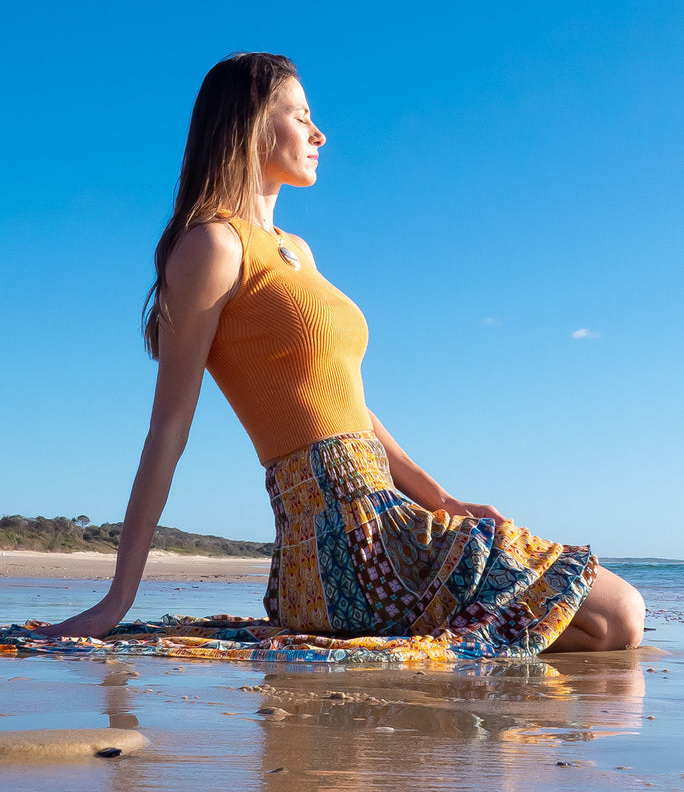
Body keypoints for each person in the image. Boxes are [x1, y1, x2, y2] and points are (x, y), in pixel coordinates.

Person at [39, 52, 645, 654]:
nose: (319, 133)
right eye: (300, 115)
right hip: (342, 541)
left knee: (605, 622)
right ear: (252, 124)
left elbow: (348, 404)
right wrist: (118, 601)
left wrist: (442, 499)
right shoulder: (213, 245)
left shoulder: (296, 249)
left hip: (382, 513)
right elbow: (166, 429)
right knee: (619, 612)